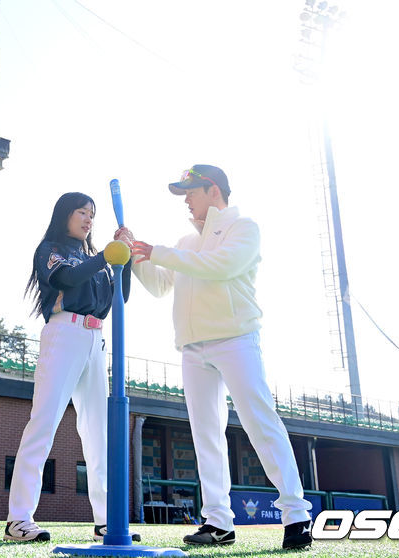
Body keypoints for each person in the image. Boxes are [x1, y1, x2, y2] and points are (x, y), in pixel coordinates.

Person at [115, 165, 313, 550]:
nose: (186, 199)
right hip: (192, 347)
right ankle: (218, 522)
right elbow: (158, 285)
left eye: (190, 191)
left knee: (260, 423)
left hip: (236, 339)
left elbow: (222, 266)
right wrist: (136, 252)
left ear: (213, 189)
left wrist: (158, 252)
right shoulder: (186, 241)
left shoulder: (243, 226)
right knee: (205, 434)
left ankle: (297, 515)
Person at [4, 192, 136, 543]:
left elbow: (120, 296)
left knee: (98, 434)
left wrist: (125, 257)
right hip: (64, 332)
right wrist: (107, 256)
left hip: (95, 340)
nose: (88, 219)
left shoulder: (97, 257)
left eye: (92, 214)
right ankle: (18, 519)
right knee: (43, 422)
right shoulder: (51, 248)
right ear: (65, 214)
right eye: (81, 211)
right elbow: (65, 279)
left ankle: (108, 521)